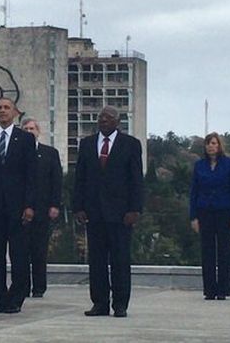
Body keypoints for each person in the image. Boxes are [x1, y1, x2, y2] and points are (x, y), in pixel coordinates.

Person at [73, 106, 143, 318]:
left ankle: (120, 304)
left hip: (121, 213)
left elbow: (136, 180)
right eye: (100, 117)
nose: (103, 119)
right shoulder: (86, 144)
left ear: (117, 122)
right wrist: (78, 207)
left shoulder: (130, 144)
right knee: (97, 260)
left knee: (120, 260)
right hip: (94, 212)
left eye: (108, 117)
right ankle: (100, 303)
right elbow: (80, 179)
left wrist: (134, 209)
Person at [0, 97, 37, 314]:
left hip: (18, 207)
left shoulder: (26, 139)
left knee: (19, 255)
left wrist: (30, 205)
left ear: (15, 112)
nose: (2, 111)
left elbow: (32, 175)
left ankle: (16, 298)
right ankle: (0, 298)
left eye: (6, 108)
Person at [190, 132, 230, 301]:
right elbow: (194, 192)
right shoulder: (199, 165)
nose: (211, 146)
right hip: (205, 211)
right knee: (207, 251)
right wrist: (194, 217)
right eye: (208, 143)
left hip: (225, 211)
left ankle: (223, 289)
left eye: (214, 143)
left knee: (225, 251)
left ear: (219, 146)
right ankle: (209, 289)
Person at [21, 118, 63, 298]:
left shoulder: (49, 153)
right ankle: (22, 286)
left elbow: (56, 180)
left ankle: (39, 288)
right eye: (26, 129)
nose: (29, 131)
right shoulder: (15, 153)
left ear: (38, 131)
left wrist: (55, 204)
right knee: (21, 251)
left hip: (43, 208)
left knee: (39, 251)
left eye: (32, 128)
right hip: (20, 210)